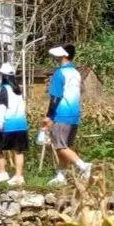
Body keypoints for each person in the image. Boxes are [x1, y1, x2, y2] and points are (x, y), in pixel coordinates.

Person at [44, 44, 91, 186]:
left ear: (64, 56)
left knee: (60, 146)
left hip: (61, 114)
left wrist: (49, 116)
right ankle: (61, 175)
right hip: (74, 115)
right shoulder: (76, 73)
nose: (55, 57)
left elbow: (55, 97)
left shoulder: (60, 73)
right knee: (65, 147)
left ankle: (83, 166)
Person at [0, 63, 29, 186]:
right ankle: (19, 176)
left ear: (3, 76)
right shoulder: (18, 90)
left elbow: (2, 106)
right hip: (20, 124)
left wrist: (0, 123)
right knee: (18, 151)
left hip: (7, 124)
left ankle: (2, 172)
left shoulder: (4, 89)